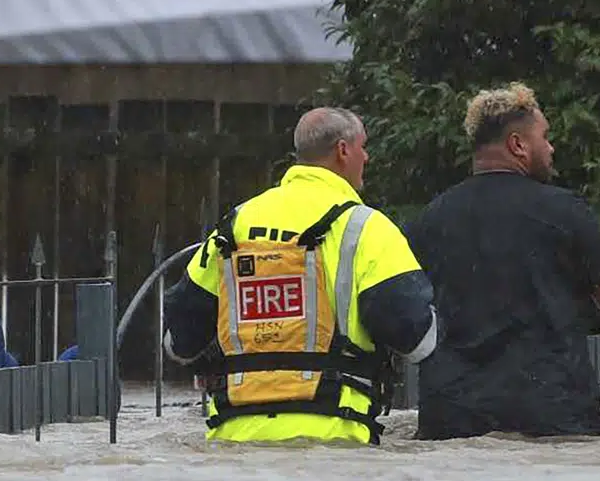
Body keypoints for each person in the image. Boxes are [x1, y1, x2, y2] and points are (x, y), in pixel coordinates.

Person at [408, 84, 600, 440]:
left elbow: (405, 312)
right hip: (552, 416)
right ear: (517, 145)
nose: (551, 148)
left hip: (450, 421)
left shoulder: (428, 219)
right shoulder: (563, 211)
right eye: (545, 138)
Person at [163, 106, 436, 444]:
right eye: (363, 146)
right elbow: (418, 339)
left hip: (233, 444)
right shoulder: (367, 228)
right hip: (337, 438)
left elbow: (179, 342)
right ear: (343, 150)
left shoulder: (235, 224)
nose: (366, 156)